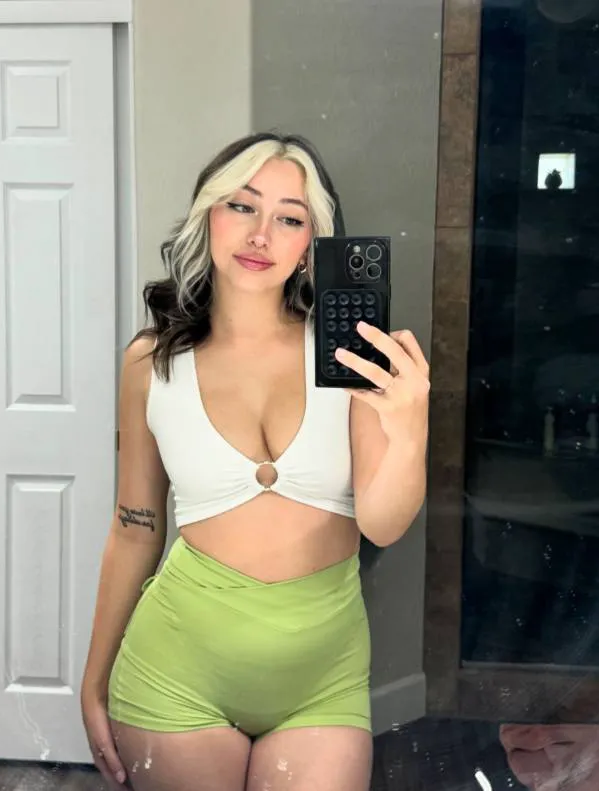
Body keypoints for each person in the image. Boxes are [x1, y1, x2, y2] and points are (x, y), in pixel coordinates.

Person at [80, 131, 430, 791]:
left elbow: (382, 524)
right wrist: (92, 684)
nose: (261, 234)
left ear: (312, 243)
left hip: (322, 684)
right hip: (174, 673)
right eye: (242, 206)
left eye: (290, 218)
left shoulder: (351, 355)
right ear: (208, 214)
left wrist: (409, 427)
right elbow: (133, 530)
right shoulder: (151, 362)